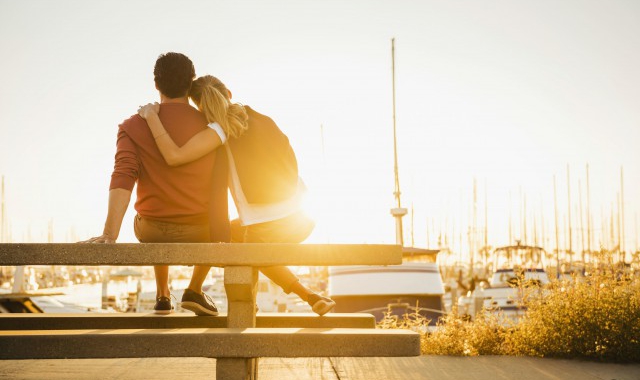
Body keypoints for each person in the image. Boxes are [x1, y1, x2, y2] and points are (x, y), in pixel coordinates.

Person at [137, 75, 336, 316]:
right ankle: (310, 296)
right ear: (228, 93)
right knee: (245, 240)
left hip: (264, 230)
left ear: (199, 109)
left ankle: (306, 295)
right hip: (303, 221)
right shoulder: (262, 119)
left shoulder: (218, 132)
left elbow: (179, 160)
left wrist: (151, 117)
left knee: (232, 238)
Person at [82, 53, 229, 316]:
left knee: (152, 213)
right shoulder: (212, 125)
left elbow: (123, 175)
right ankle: (194, 288)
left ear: (156, 84)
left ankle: (162, 294)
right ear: (191, 82)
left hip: (152, 230)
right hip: (202, 231)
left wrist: (109, 233)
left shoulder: (134, 125)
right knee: (216, 219)